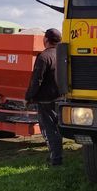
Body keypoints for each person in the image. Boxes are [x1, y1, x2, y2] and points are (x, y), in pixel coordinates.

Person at [25, 28, 64, 166]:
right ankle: (56, 155)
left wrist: (29, 96)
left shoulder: (44, 56)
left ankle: (56, 160)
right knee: (57, 128)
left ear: (46, 40)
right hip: (61, 98)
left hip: (46, 99)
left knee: (49, 130)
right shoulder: (62, 55)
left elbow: (36, 80)